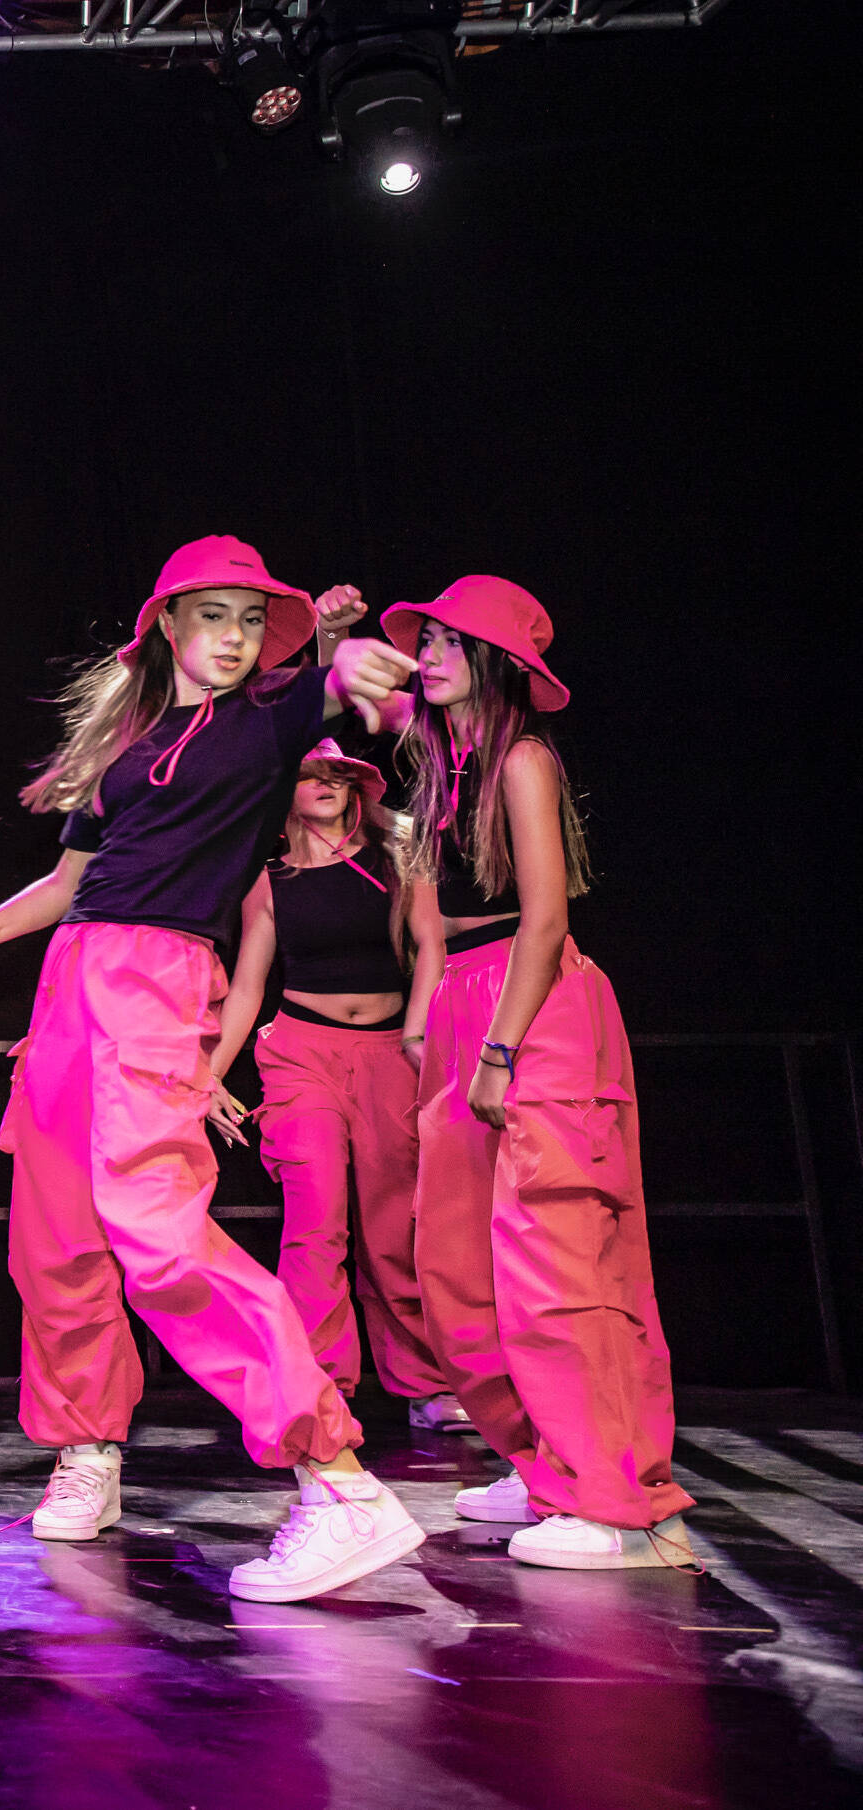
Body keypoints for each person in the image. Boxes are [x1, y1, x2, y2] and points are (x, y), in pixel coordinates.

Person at [0, 534, 429, 1603]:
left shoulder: (269, 721)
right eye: (212, 615)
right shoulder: (130, 739)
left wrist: (352, 658)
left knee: (158, 1233)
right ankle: (88, 1447)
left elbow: (341, 687)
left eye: (251, 619)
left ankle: (334, 1475)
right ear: (166, 625)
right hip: (75, 976)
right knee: (55, 1232)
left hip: (159, 979)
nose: (233, 636)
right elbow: (81, 877)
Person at [387, 576, 690, 1568]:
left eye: (447, 642)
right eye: (424, 639)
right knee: (457, 1263)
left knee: (556, 1258)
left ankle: (618, 1503)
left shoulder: (521, 759)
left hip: (537, 1000)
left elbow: (547, 919)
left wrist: (502, 1048)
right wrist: (436, 1023)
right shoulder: (444, 767)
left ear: (497, 664)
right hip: (467, 995)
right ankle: (546, 1462)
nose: (429, 654)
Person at [201, 737, 465, 1435]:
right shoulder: (272, 874)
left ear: (357, 785)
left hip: (390, 1053)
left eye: (336, 773)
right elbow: (250, 983)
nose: (323, 783)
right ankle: (318, 1384)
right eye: (308, 774)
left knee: (391, 1226)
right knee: (315, 1221)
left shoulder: (400, 851)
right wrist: (208, 1072)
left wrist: (418, 1034)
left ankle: (425, 1383)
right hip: (301, 1054)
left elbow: (432, 946)